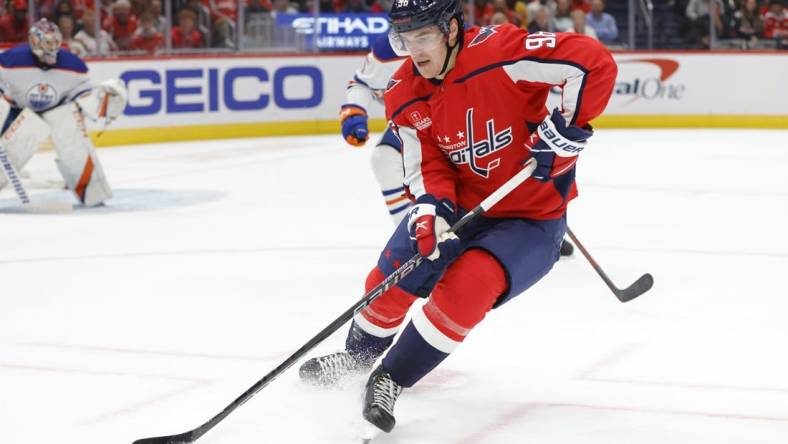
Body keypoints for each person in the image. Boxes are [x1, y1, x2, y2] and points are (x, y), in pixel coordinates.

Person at [299, 0, 616, 436]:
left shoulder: (501, 54)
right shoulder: (403, 91)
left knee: (469, 285)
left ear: (451, 30)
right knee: (394, 271)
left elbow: (592, 61)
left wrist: (567, 130)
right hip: (463, 209)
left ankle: (390, 377)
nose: (416, 52)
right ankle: (357, 357)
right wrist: (433, 209)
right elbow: (426, 163)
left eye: (424, 37)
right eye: (407, 41)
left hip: (530, 217)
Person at [0, 18, 127, 206]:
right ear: (35, 41)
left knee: (72, 138)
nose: (54, 47)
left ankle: (92, 192)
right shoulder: (11, 60)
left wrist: (104, 102)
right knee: (14, 147)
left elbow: (83, 96)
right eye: (48, 42)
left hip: (57, 109)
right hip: (20, 110)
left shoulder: (72, 65)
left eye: (56, 41)